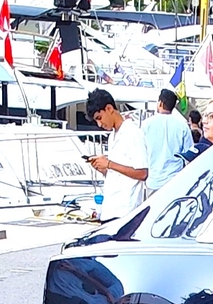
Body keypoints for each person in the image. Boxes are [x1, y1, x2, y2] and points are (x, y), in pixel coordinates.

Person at [81, 87, 147, 219]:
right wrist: (103, 168)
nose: (100, 124)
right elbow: (118, 174)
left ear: (109, 109)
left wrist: (109, 164)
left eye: (99, 118)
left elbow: (143, 173)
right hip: (111, 208)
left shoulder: (133, 133)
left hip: (125, 211)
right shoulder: (112, 136)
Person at [141, 86, 193, 196]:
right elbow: (189, 155)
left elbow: (142, 154)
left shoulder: (146, 124)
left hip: (154, 181)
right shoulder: (182, 126)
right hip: (174, 182)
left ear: (160, 103)